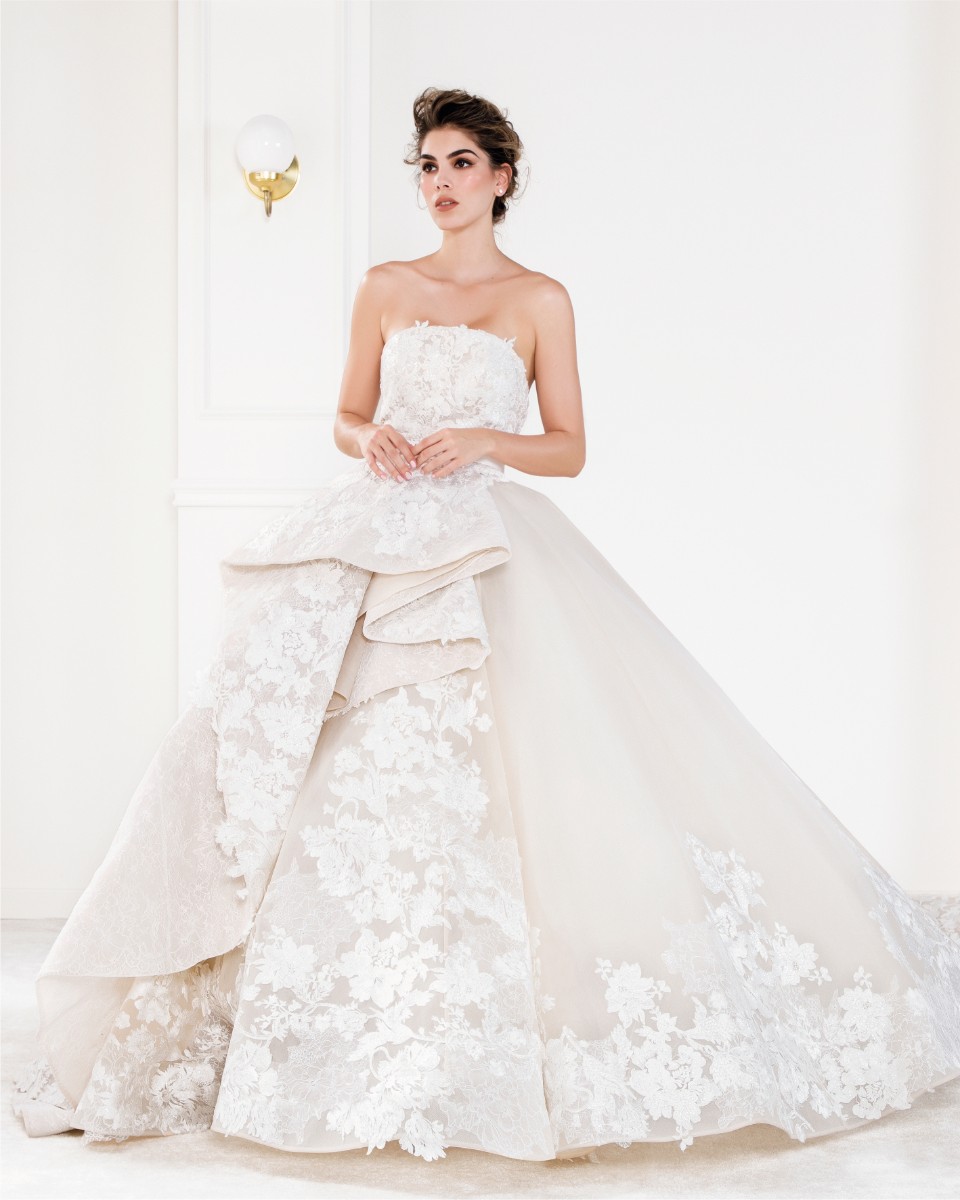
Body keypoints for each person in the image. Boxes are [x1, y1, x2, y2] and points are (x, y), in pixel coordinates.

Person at [12, 86, 960, 1165]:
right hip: (377, 547)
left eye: (461, 163)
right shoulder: (384, 287)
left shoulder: (539, 299)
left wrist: (484, 441)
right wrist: (368, 439)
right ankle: (339, 1028)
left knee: (519, 781)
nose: (441, 183)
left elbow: (570, 446)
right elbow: (346, 413)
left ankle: (488, 1037)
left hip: (484, 548)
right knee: (315, 769)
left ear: (503, 178)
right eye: (427, 165)